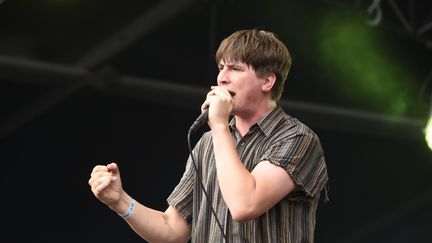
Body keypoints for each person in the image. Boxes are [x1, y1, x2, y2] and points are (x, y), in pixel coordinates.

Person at [89, 29, 329, 243]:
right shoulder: (208, 143)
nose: (222, 78)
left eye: (235, 69)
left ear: (267, 81)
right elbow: (173, 231)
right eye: (221, 68)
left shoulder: (297, 138)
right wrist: (120, 201)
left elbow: (245, 205)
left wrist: (219, 125)